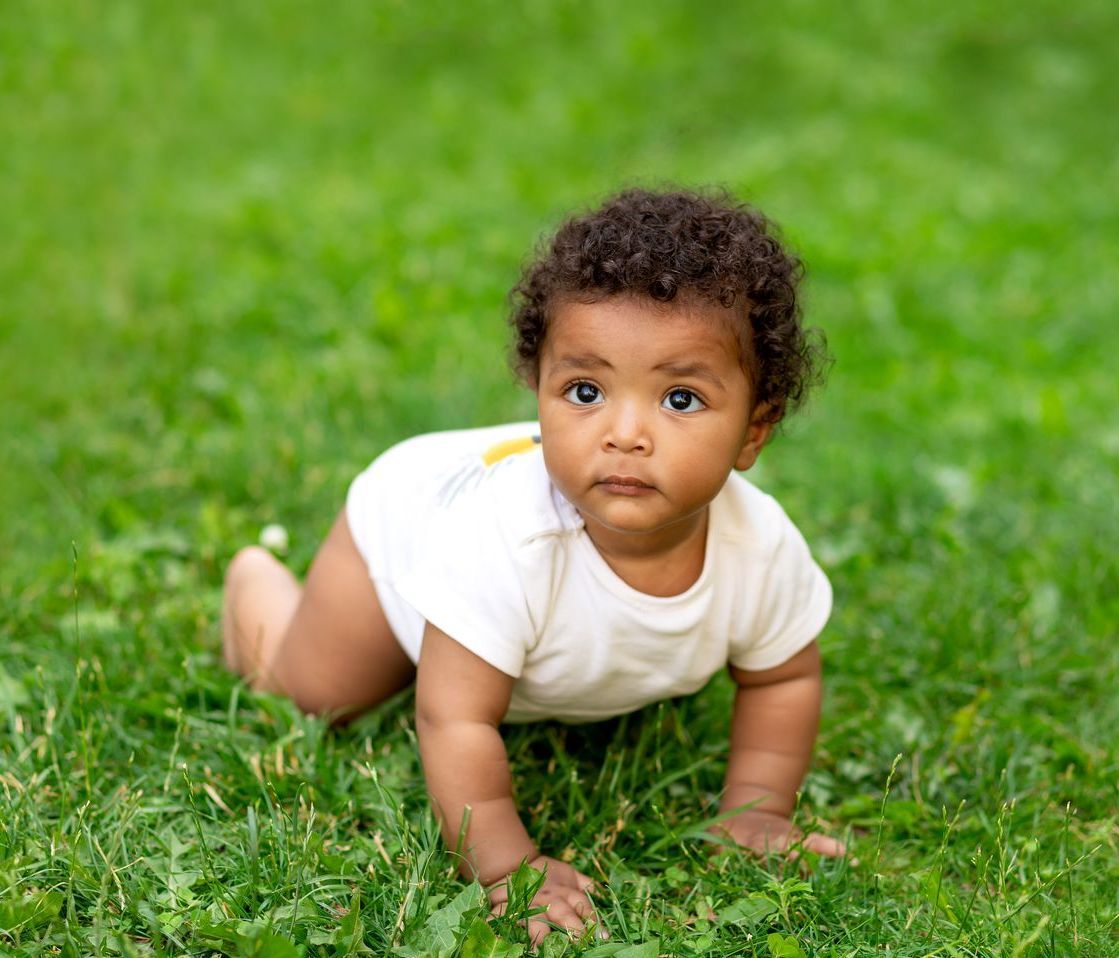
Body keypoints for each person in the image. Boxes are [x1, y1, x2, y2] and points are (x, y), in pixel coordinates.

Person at [222, 187, 846, 944]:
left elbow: (781, 677)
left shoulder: (760, 548)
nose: (624, 433)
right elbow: (452, 717)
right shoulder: (505, 544)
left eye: (679, 399)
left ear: (753, 431)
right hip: (402, 531)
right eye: (584, 391)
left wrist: (756, 808)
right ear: (540, 391)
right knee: (319, 695)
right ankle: (255, 589)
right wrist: (506, 866)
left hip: (505, 599)